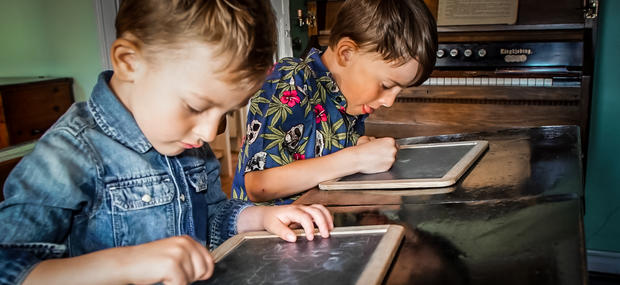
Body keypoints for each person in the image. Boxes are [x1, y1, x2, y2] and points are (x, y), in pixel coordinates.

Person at [0, 1, 333, 284]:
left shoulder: (188, 145)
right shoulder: (68, 155)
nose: (208, 132)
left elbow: (212, 216)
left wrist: (259, 219)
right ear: (129, 62)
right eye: (195, 107)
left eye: (227, 112)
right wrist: (127, 264)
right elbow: (9, 267)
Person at [231, 0, 438, 205]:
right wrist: (356, 158)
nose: (389, 102)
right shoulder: (291, 80)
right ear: (346, 53)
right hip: (264, 233)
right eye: (385, 85)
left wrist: (357, 149)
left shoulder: (348, 102)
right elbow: (259, 185)